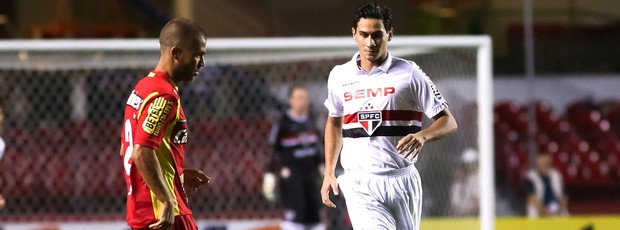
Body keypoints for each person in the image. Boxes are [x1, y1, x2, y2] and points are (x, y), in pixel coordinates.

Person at [320, 2, 458, 229]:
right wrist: (329, 172)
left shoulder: (409, 73)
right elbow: (334, 122)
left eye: (377, 35)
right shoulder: (339, 75)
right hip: (360, 182)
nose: (370, 42)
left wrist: (423, 136)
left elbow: (448, 121)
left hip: (402, 180)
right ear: (354, 34)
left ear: (390, 35)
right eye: (364, 35)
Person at [119, 18, 210, 230]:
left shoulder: (142, 88)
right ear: (176, 53)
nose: (202, 63)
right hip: (165, 214)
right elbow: (140, 151)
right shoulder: (164, 94)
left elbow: (127, 148)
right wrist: (167, 200)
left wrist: (176, 174)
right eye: (198, 55)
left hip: (143, 211)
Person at [262, 85, 324, 230]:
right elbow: (273, 151)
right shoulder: (283, 123)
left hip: (311, 174)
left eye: (305, 98)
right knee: (295, 216)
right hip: (292, 175)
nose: (303, 101)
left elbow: (319, 146)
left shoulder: (312, 121)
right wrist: (269, 174)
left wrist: (323, 165)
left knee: (314, 215)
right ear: (291, 100)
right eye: (299, 98)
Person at [525, 151, 569, 218]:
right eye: (541, 159)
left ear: (550, 159)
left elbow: (564, 196)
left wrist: (560, 208)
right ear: (537, 160)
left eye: (545, 158)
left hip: (554, 206)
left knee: (563, 213)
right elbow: (531, 198)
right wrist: (544, 210)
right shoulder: (530, 176)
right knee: (533, 210)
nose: (544, 161)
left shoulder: (557, 175)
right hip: (539, 206)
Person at [450, 148, 479, 216]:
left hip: (472, 216)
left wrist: (464, 213)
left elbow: (476, 204)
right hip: (459, 217)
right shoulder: (456, 186)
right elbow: (454, 206)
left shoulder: (475, 181)